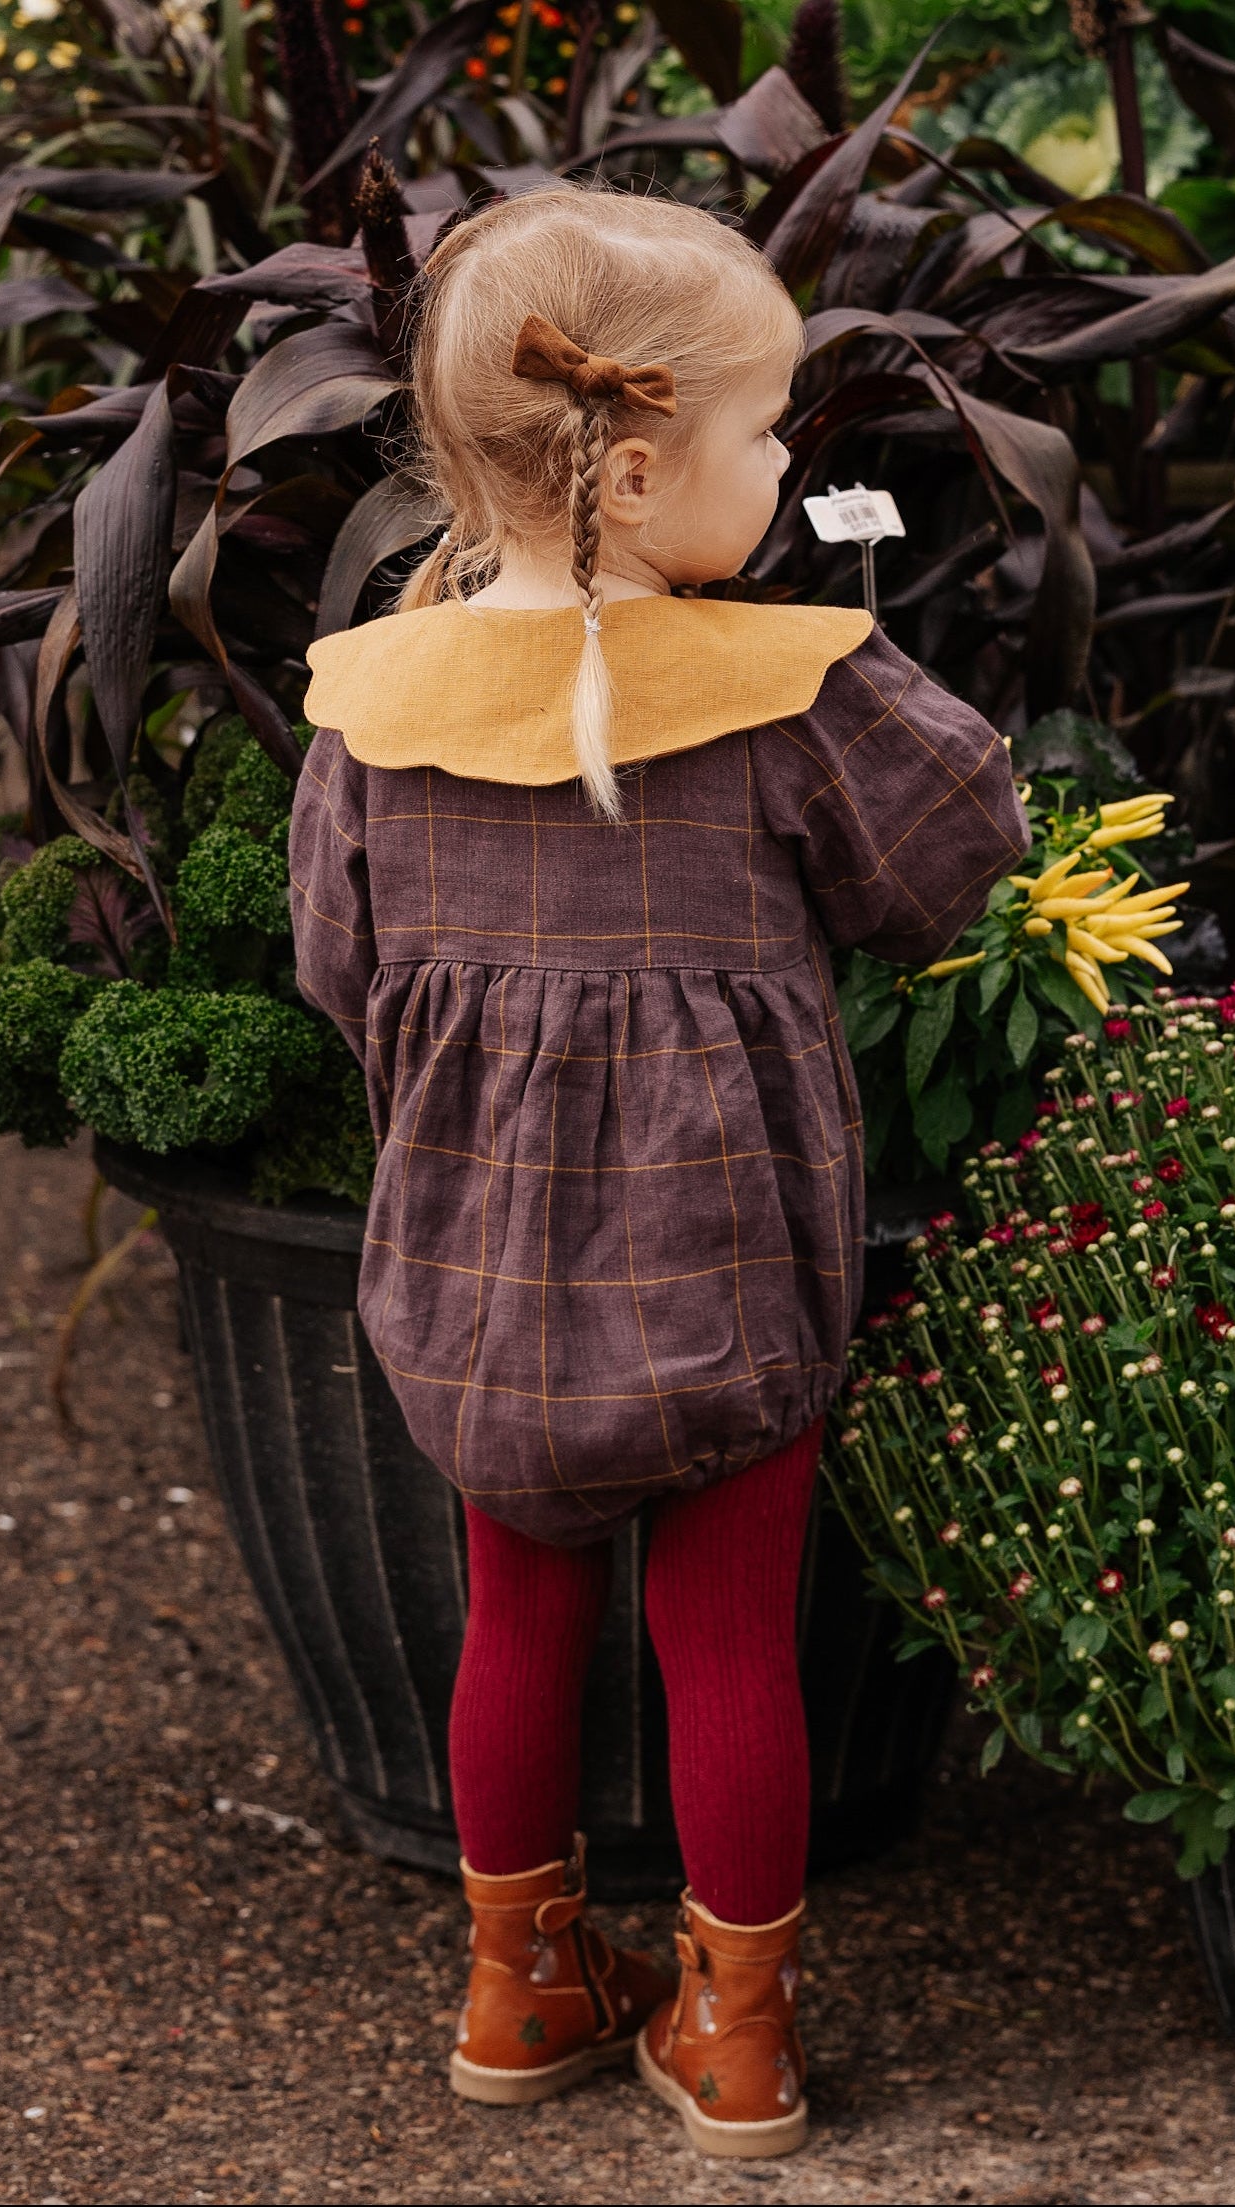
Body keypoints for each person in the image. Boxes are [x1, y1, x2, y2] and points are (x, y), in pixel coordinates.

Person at [289, 185, 1027, 2160]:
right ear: (631, 465)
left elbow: (337, 971)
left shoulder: (372, 702)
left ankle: (520, 1988)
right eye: (765, 434)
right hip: (724, 1269)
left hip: (480, 1283)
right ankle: (735, 2037)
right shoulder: (792, 683)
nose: (788, 474)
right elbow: (951, 858)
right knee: (730, 1643)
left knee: (511, 1624)